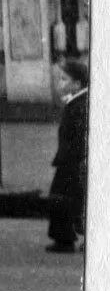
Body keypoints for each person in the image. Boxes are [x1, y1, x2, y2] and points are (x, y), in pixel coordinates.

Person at [46, 57, 87, 255]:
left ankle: (64, 239)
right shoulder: (76, 103)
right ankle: (64, 237)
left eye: (64, 79)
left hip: (74, 160)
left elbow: (79, 137)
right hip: (70, 159)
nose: (59, 83)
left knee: (64, 198)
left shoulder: (80, 106)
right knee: (71, 199)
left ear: (77, 84)